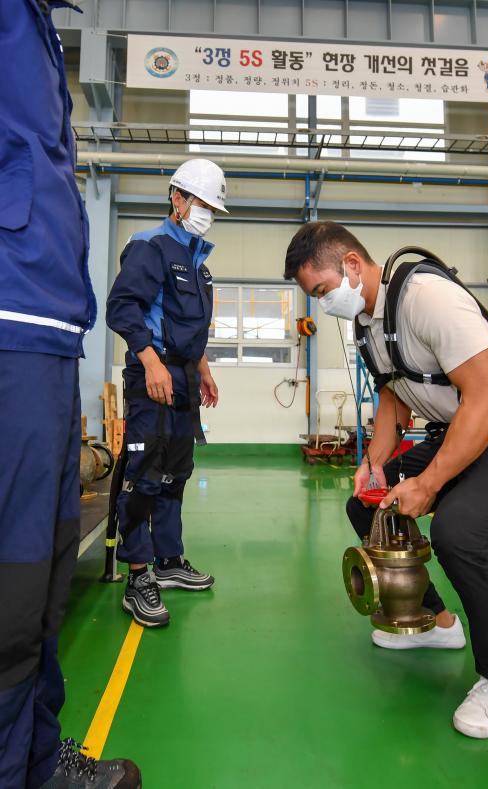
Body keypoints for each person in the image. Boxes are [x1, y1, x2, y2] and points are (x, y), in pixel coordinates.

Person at [283, 221, 488, 739]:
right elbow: (393, 396)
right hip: (462, 431)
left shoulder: (427, 298)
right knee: (367, 504)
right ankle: (433, 621)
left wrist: (428, 483)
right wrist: (375, 462)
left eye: (322, 290)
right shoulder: (367, 324)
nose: (323, 304)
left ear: (350, 264)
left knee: (460, 535)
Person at [0, 1, 141, 787]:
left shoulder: (37, 27)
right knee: (9, 588)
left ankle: (35, 757)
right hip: (8, 325)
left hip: (49, 334)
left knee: (43, 581)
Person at [106, 158, 225, 628]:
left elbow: (190, 329)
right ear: (177, 198)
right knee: (145, 475)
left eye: (213, 207)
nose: (207, 213)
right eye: (202, 203)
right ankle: (138, 577)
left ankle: (169, 560)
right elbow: (123, 307)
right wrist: (151, 362)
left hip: (185, 381)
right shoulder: (150, 245)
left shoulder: (199, 265)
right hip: (151, 378)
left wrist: (204, 371)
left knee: (176, 473)